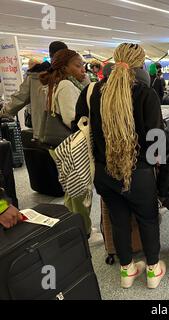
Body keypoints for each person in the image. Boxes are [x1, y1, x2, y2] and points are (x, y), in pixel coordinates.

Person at [74, 43, 166, 289]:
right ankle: (153, 271)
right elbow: (157, 139)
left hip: (104, 172)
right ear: (140, 64)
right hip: (138, 172)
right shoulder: (146, 94)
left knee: (118, 220)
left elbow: (78, 126)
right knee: (147, 219)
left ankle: (126, 272)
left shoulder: (92, 92)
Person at [39, 49, 102, 245]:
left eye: (83, 65)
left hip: (61, 145)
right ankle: (83, 232)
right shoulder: (66, 85)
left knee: (71, 189)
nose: (83, 69)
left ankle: (74, 225)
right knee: (80, 190)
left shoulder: (61, 83)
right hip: (71, 145)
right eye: (77, 65)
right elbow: (71, 119)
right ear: (65, 67)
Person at [0, 41, 68, 139]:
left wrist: (3, 113)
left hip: (43, 132)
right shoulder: (71, 75)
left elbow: (19, 99)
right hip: (68, 134)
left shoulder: (36, 76)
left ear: (50, 55)